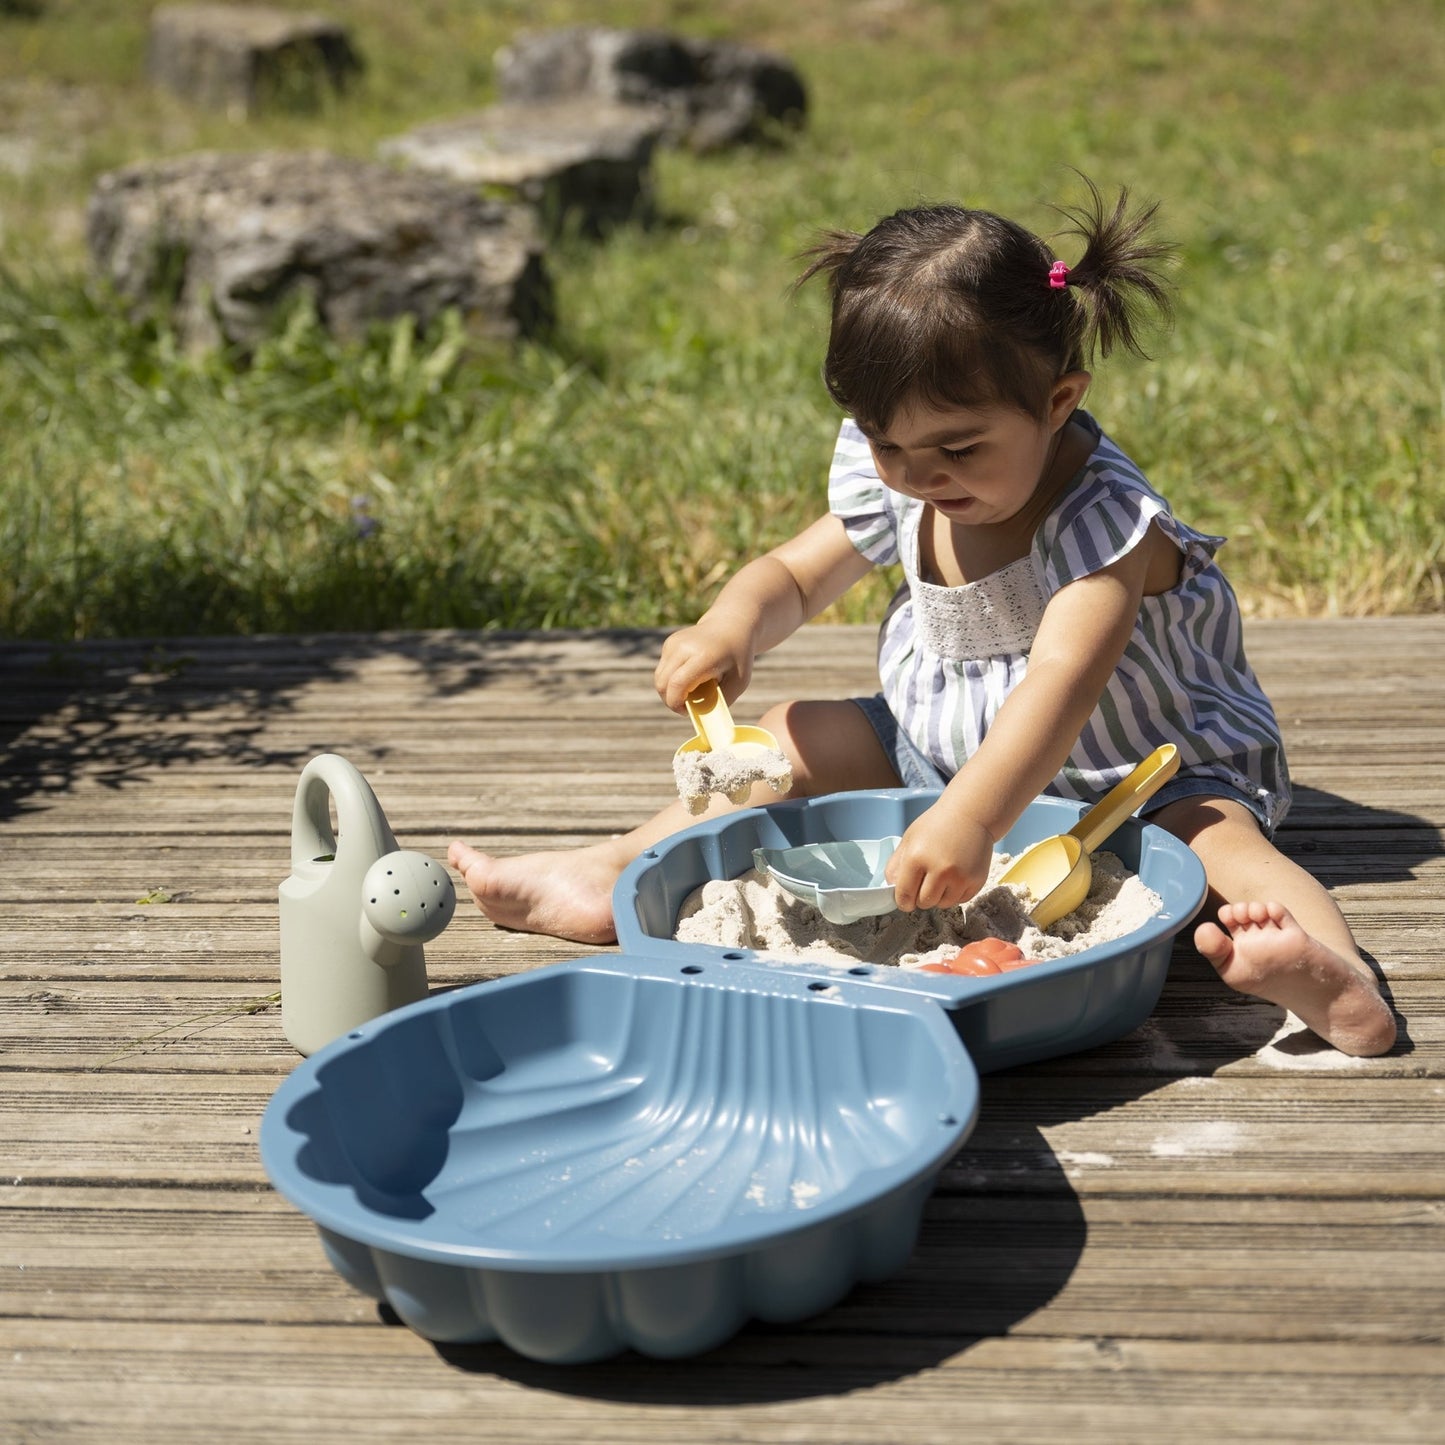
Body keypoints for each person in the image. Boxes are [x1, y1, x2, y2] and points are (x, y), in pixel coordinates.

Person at [449, 178, 1397, 1058]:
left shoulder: (1104, 525)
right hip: (935, 747)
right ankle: (612, 867)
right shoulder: (906, 467)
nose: (918, 476)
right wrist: (731, 625)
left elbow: (1061, 686)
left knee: (1220, 842)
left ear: (1058, 400)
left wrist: (970, 816)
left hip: (1139, 772)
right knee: (787, 737)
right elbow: (794, 571)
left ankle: (1330, 977)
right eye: (886, 442)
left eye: (955, 447)